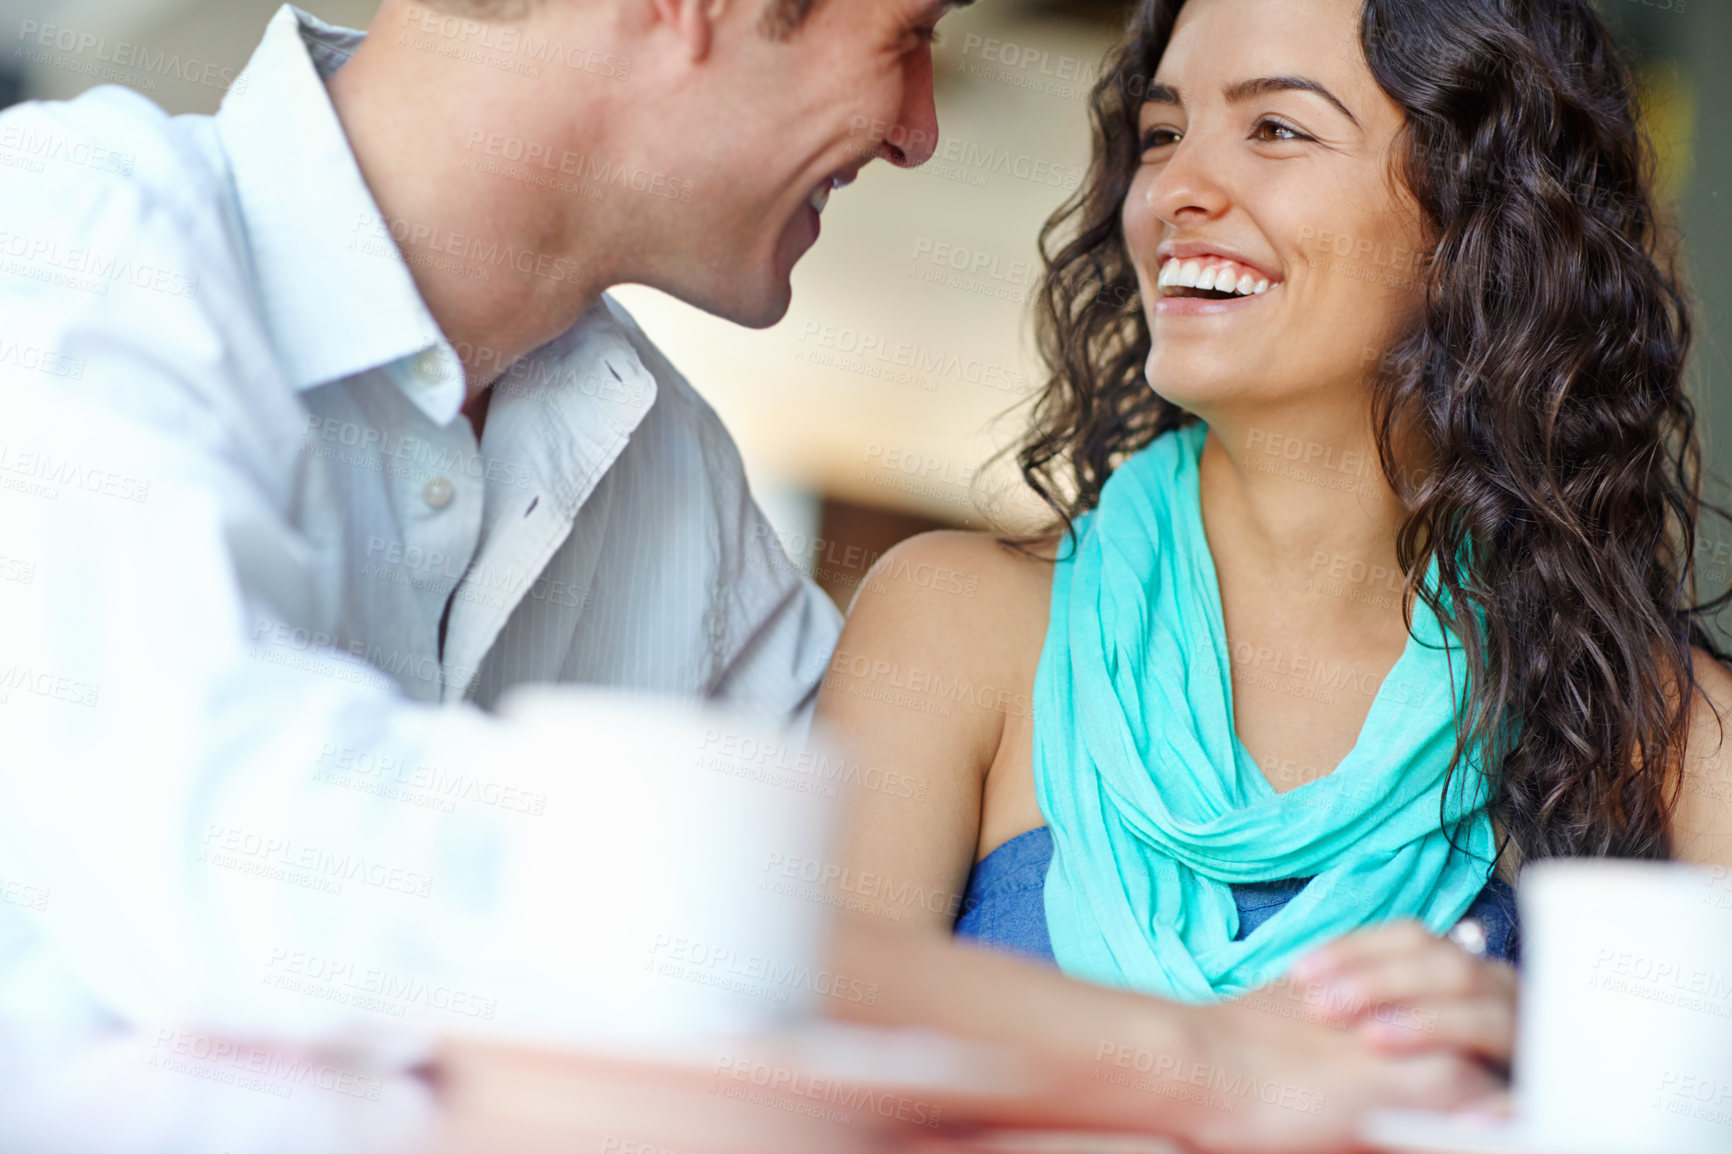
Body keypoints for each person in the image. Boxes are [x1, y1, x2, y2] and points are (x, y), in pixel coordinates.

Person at [818, 0, 1732, 1147]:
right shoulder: (950, 620)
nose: (1174, 191)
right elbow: (787, 1064)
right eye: (1160, 134)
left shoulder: (1676, 740)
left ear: (1477, 220)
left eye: (1277, 131)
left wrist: (1563, 1073)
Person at [0, 0, 958, 1049]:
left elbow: (853, 917)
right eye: (908, 34)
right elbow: (213, 855)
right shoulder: (62, 236)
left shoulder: (669, 463)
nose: (919, 131)